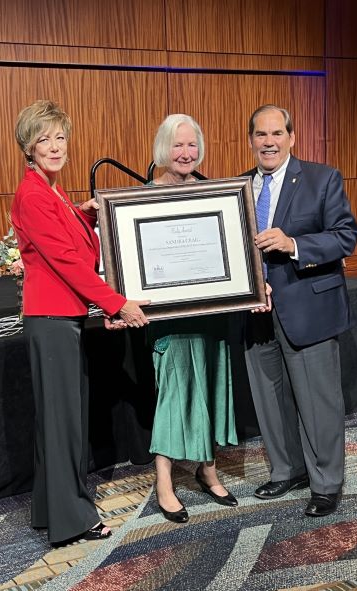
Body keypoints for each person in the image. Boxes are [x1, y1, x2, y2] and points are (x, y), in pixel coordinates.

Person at [11, 99, 150, 545]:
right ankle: (73, 520)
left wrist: (84, 214)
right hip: (51, 319)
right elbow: (69, 264)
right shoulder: (33, 194)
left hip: (60, 318)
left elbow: (75, 245)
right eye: (44, 139)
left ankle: (50, 509)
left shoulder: (51, 192)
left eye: (60, 137)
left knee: (59, 420)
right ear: (28, 147)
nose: (54, 146)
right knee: (63, 422)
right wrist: (118, 304)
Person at [242, 104, 357, 517]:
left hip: (309, 306)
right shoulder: (238, 187)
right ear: (251, 140)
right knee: (269, 399)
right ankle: (286, 470)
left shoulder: (322, 178)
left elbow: (346, 236)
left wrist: (293, 244)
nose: (269, 142)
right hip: (256, 311)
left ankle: (326, 483)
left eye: (277, 134)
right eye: (261, 135)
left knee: (317, 401)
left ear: (291, 137)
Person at [147, 114, 241, 523]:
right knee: (173, 394)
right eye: (177, 145)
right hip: (169, 317)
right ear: (163, 150)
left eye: (191, 145)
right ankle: (164, 482)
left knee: (212, 386)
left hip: (210, 312)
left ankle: (207, 469)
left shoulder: (214, 192)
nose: (185, 153)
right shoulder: (144, 196)